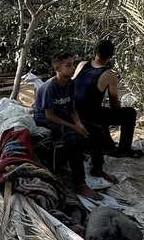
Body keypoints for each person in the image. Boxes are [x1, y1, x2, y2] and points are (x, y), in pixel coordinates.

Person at [33, 53, 115, 201]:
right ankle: (80, 184)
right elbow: (49, 116)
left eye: (73, 64)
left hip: (63, 116)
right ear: (58, 68)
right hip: (47, 121)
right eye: (69, 65)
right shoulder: (50, 87)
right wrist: (73, 127)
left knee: (96, 130)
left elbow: (71, 108)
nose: (73, 68)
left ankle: (97, 168)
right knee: (74, 138)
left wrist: (78, 123)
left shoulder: (70, 83)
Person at [74, 39, 139, 157]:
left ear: (94, 53)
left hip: (74, 112)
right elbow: (114, 104)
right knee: (130, 113)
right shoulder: (109, 74)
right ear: (110, 57)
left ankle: (107, 142)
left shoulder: (82, 65)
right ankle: (124, 149)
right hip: (90, 116)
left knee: (100, 109)